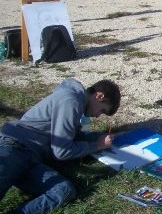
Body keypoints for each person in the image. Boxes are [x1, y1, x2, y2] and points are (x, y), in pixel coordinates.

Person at [0, 78, 121, 213]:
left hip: (33, 159)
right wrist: (96, 146)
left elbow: (70, 136)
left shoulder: (76, 102)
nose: (98, 116)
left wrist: (97, 138)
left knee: (63, 190)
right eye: (102, 110)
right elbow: (62, 151)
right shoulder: (71, 100)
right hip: (14, 147)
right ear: (99, 96)